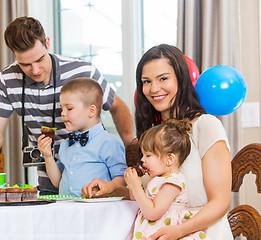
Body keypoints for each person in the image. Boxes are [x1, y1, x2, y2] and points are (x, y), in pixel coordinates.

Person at [0, 16, 133, 198]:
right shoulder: (8, 79)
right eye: (25, 64)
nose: (35, 70)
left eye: (40, 59)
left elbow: (116, 106)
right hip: (52, 182)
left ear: (47, 43)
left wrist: (130, 147)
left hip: (95, 187)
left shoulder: (82, 70)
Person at [82, 44, 232, 239]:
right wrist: (113, 189)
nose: (153, 89)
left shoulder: (207, 126)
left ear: (181, 78)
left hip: (202, 233)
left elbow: (220, 202)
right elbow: (154, 197)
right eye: (146, 81)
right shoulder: (153, 134)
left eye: (163, 78)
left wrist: (180, 230)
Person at [37, 78, 127, 197]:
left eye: (69, 108)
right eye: (62, 109)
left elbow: (121, 178)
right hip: (68, 208)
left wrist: (107, 189)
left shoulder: (109, 142)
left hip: (97, 208)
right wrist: (48, 156)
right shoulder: (66, 144)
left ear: (91, 111)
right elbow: (58, 182)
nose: (63, 113)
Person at [125, 118, 209, 240]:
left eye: (148, 155)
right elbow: (136, 199)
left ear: (169, 159)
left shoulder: (172, 182)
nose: (143, 159)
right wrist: (133, 185)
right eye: (142, 155)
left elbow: (152, 213)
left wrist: (136, 187)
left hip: (166, 232)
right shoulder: (157, 178)